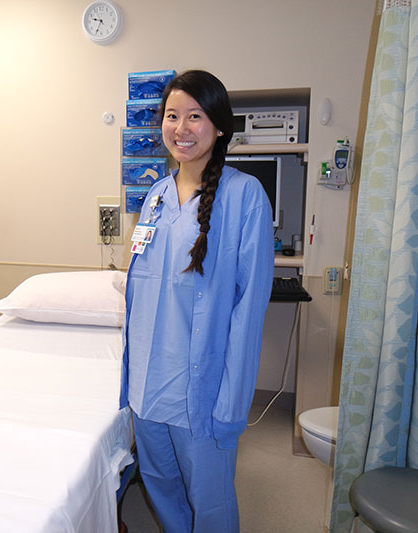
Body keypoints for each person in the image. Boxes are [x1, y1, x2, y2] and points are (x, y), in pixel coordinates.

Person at [120, 70, 274, 532]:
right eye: (172, 116)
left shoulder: (245, 196)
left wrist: (231, 401)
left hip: (201, 392)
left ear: (220, 126)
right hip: (148, 388)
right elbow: (141, 292)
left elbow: (248, 313)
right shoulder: (155, 196)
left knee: (210, 505)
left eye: (195, 116)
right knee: (161, 487)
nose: (181, 128)